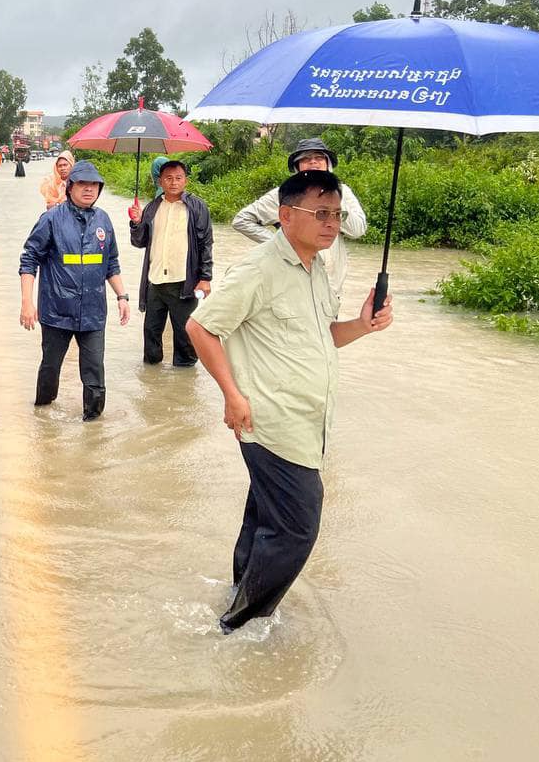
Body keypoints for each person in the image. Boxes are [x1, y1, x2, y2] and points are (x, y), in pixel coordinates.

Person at [186, 169, 393, 633]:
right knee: (298, 526)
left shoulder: (316, 268)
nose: (332, 223)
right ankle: (241, 625)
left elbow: (323, 337)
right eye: (321, 213)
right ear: (284, 215)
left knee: (264, 515)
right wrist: (232, 395)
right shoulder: (258, 270)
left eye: (337, 214)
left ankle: (239, 592)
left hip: (306, 421)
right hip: (270, 420)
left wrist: (362, 324)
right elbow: (201, 327)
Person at [19, 160, 130, 421]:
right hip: (57, 311)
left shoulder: (103, 220)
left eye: (94, 185)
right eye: (82, 184)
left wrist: (122, 296)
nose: (89, 189)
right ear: (70, 187)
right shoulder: (51, 219)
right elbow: (29, 260)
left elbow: (110, 263)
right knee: (50, 368)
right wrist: (27, 302)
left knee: (94, 371)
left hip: (93, 312)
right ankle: (43, 420)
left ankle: (93, 428)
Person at [232, 138, 367, 299]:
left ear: (328, 164)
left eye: (319, 157)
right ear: (297, 167)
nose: (313, 162)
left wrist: (333, 199)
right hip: (292, 289)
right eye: (306, 159)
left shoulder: (343, 192)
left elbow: (358, 230)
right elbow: (242, 220)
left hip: (331, 290)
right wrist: (280, 243)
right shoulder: (284, 194)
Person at [128, 159, 213, 367]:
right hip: (155, 281)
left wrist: (205, 278)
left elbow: (206, 244)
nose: (173, 182)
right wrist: (136, 223)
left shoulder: (196, 207)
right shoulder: (152, 207)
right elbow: (139, 242)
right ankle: (152, 380)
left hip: (184, 282)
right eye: (168, 178)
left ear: (186, 180)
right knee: (151, 335)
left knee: (185, 339)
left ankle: (184, 383)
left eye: (178, 178)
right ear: (160, 181)